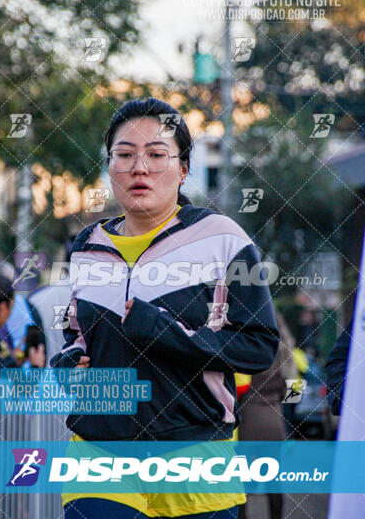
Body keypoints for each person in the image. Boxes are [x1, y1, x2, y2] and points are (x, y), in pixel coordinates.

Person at [51, 97, 280, 519]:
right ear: (111, 167)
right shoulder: (87, 246)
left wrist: (163, 332)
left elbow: (259, 345)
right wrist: (66, 363)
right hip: (100, 452)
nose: (140, 168)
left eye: (157, 155)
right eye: (124, 155)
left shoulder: (223, 239)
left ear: (183, 168)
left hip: (194, 459)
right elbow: (75, 333)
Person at [237, 312, 296, 519]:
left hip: (247, 422)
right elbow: (294, 393)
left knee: (242, 481)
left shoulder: (246, 348)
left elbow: (236, 386)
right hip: (274, 422)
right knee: (274, 481)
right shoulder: (285, 352)